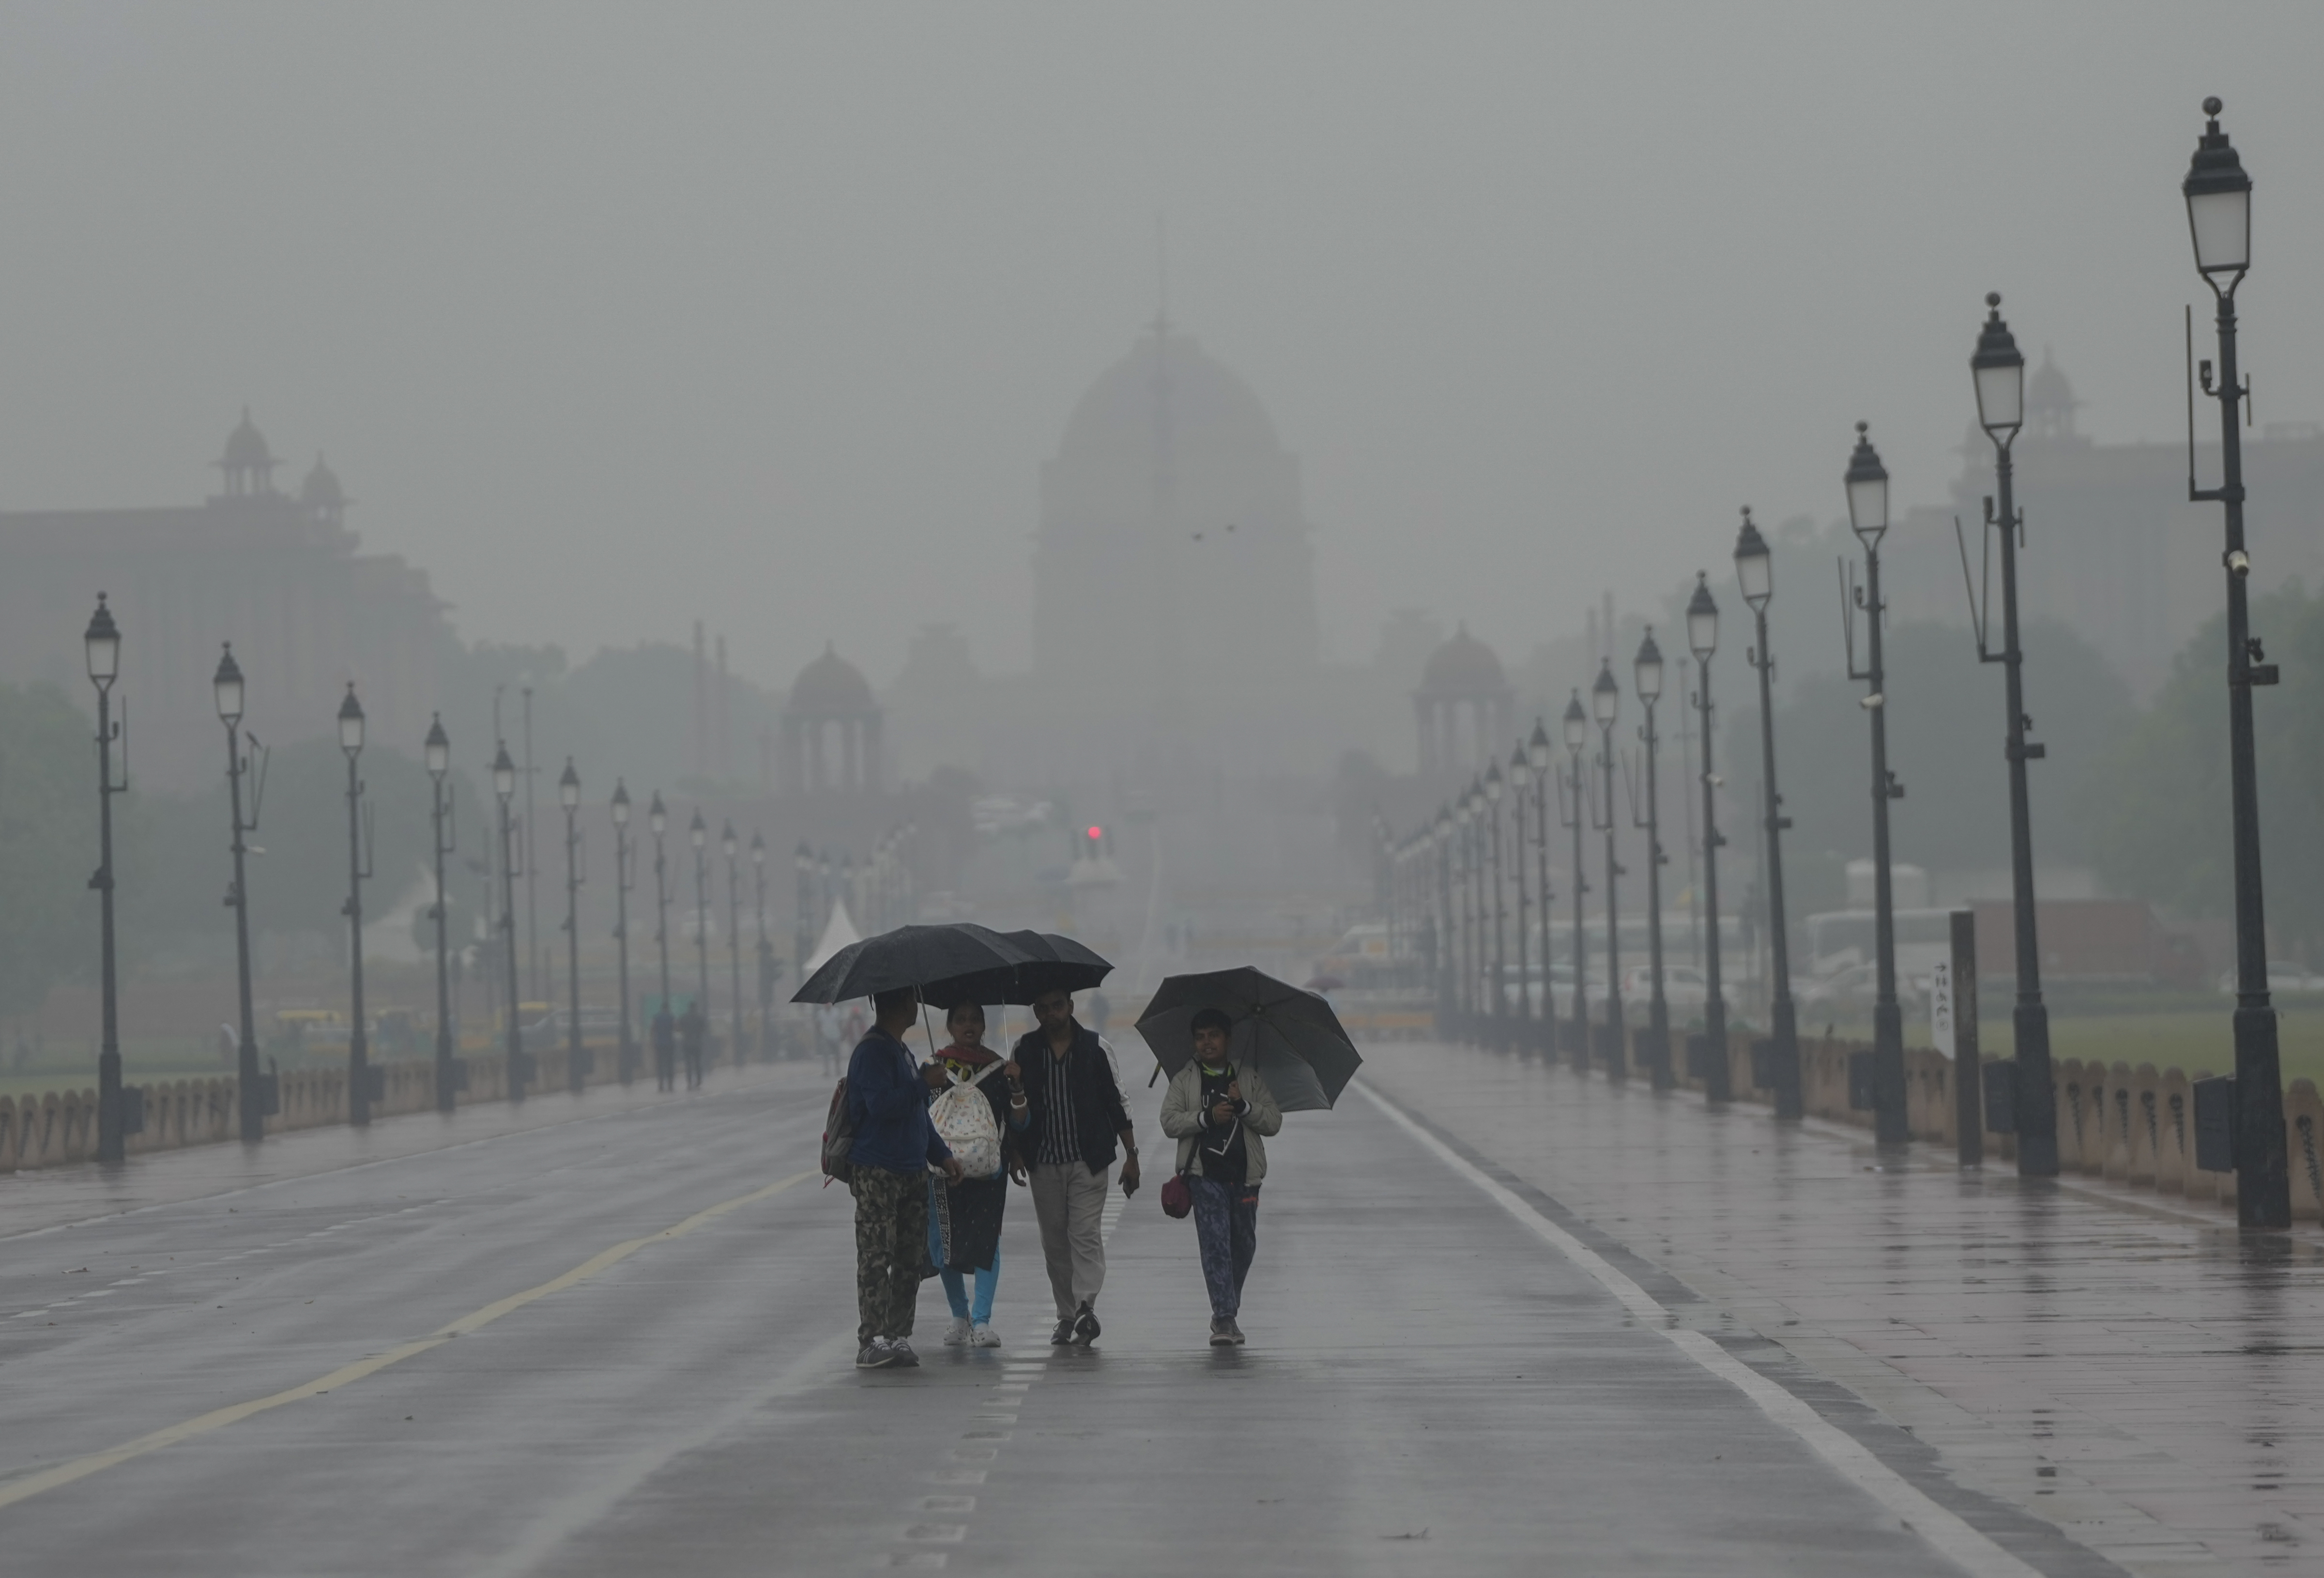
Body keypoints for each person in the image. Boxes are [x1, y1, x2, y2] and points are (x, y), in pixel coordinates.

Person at [1013, 987, 1138, 1346]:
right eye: (1044, 1008)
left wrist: (1132, 1154)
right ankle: (1066, 1316)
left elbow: (1118, 1102)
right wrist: (1016, 1150)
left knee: (1084, 1233)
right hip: (1045, 1160)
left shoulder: (1097, 1048)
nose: (1052, 1013)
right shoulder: (1024, 1051)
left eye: (1058, 1005)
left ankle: (1085, 1306)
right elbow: (1015, 1109)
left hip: (1090, 1158)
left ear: (1070, 1006)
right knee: (1055, 1241)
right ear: (1036, 1011)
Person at [848, 984, 963, 1369]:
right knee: (877, 1255)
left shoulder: (902, 1051)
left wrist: (942, 1155)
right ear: (900, 1004)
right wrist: (922, 1084)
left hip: (913, 1169)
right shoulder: (871, 1052)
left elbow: (918, 1115)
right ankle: (871, 1339)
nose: (917, 1006)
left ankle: (897, 1335)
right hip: (878, 1170)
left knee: (910, 1257)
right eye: (913, 1000)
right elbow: (881, 1106)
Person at [1158, 1008, 1282, 1347]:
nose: (1207, 1042)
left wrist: (1244, 1108)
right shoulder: (1185, 1079)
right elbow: (1169, 1121)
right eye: (1200, 1037)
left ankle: (1226, 1308)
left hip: (1245, 1178)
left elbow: (1273, 1121)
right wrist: (1205, 1117)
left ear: (1228, 1038)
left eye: (1214, 1035)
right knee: (1215, 1246)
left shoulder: (1249, 1077)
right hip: (1204, 1177)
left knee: (1243, 1246)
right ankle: (1225, 1317)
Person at [920, 1003, 1029, 1348]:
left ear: (984, 1024)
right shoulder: (932, 1068)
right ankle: (959, 1315)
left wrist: (1017, 1088)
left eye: (975, 1019)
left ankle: (982, 1321)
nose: (968, 1025)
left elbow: (1019, 1123)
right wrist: (924, 1083)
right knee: (944, 1243)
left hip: (988, 1172)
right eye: (961, 1019)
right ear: (950, 1025)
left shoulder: (1000, 1070)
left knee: (987, 1241)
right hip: (940, 1169)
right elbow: (918, 1117)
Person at [680, 1002, 706, 1089]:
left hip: (687, 1043)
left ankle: (689, 1081)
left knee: (688, 1064)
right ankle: (698, 1080)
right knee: (698, 1063)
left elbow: (679, 1029)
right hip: (697, 1044)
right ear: (695, 1008)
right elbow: (704, 1029)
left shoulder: (684, 1018)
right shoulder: (700, 1018)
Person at [651, 1004, 677, 1092]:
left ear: (662, 1009)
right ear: (668, 1009)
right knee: (670, 1065)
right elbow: (675, 1028)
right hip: (669, 1044)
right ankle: (670, 1084)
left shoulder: (657, 1018)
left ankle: (661, 1084)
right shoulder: (671, 1017)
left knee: (660, 1064)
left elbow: (653, 1030)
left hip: (659, 1044)